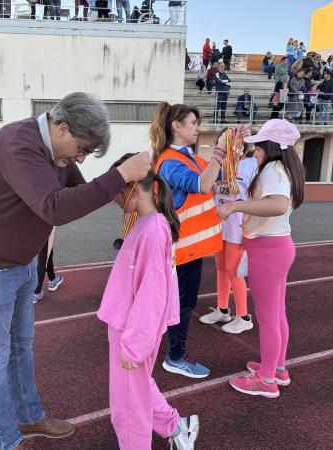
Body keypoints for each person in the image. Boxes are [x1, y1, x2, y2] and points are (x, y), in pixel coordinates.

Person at [0, 92, 151, 450]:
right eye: (83, 149)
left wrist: (125, 187)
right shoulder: (20, 145)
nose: (81, 158)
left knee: (21, 346)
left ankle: (29, 418)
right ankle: (7, 440)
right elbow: (54, 208)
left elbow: (82, 190)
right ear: (62, 128)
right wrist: (120, 174)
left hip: (22, 261)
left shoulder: (56, 151)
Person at [98, 153, 199, 450]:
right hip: (127, 327)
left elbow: (152, 295)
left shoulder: (153, 230)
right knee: (138, 392)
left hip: (132, 332)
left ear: (133, 187)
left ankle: (169, 431)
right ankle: (176, 428)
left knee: (127, 413)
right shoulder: (148, 224)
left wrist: (134, 345)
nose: (114, 198)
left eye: (118, 190)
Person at [217, 119, 305, 399]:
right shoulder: (281, 168)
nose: (255, 151)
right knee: (276, 314)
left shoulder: (273, 170)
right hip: (275, 247)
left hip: (269, 251)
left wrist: (236, 206)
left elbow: (278, 205)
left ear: (271, 148)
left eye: (258, 147)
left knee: (268, 318)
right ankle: (277, 368)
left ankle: (266, 379)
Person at [150, 102, 227, 379]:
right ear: (176, 126)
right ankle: (175, 356)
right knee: (180, 305)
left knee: (180, 303)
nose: (198, 128)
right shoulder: (170, 162)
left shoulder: (189, 157)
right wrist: (219, 151)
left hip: (191, 248)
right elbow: (203, 185)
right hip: (181, 249)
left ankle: (171, 351)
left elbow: (218, 176)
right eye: (193, 123)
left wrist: (233, 147)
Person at [200, 135, 258, 334]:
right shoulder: (216, 165)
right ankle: (223, 309)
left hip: (237, 228)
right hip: (220, 227)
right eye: (222, 144)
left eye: (232, 144)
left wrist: (250, 225)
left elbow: (257, 197)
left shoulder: (251, 165)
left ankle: (243, 316)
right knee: (221, 269)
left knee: (234, 272)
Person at [33, 229, 64, 303]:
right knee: (45, 254)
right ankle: (36, 292)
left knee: (47, 251)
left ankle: (52, 279)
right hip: (44, 226)